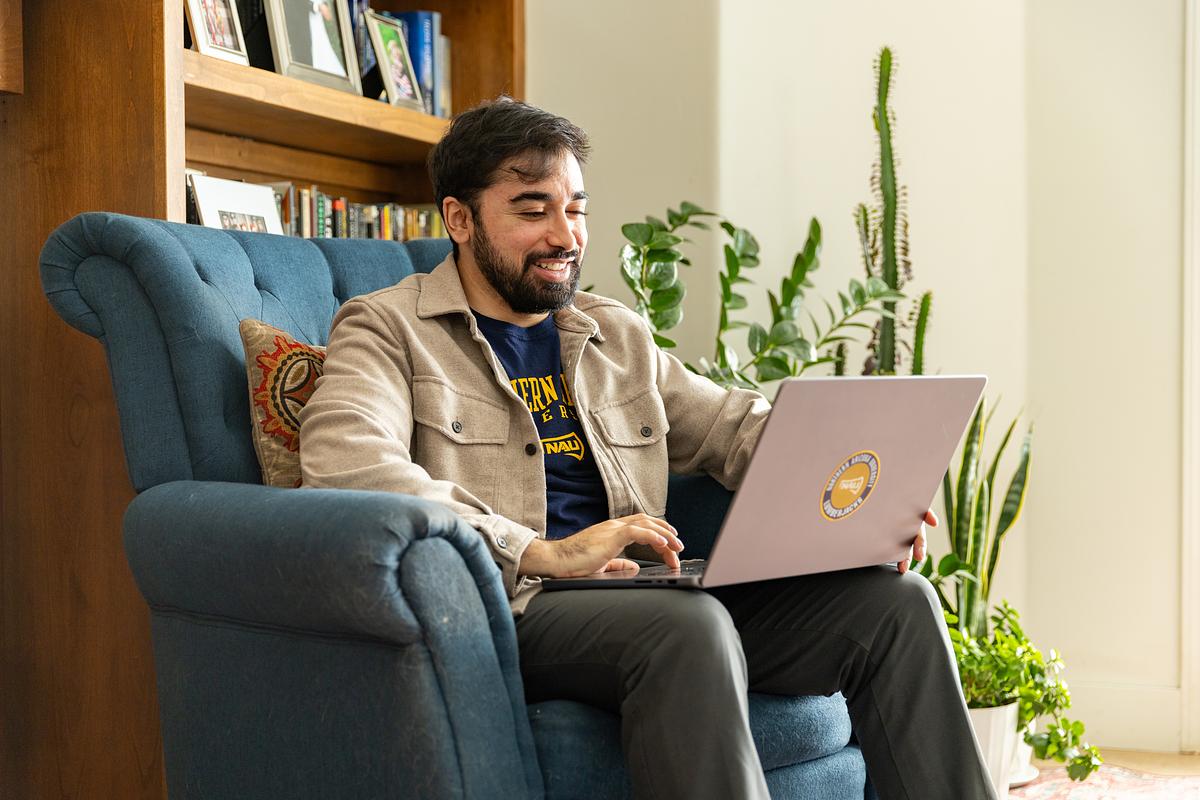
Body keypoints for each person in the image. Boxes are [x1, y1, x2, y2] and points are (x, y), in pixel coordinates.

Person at [298, 97, 997, 800]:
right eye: (532, 210)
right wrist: (538, 551)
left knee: (897, 606)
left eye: (577, 209)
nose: (564, 234)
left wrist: (861, 496)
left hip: (644, 596)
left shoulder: (614, 334)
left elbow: (731, 426)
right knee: (686, 626)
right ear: (460, 218)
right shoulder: (387, 327)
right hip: (516, 605)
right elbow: (349, 466)